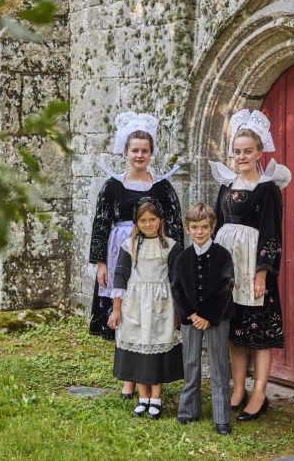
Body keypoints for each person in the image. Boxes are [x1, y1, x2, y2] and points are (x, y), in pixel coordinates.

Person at [88, 112, 184, 399]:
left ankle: (151, 374)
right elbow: (100, 224)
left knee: (149, 315)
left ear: (151, 154)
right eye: (134, 150)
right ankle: (128, 377)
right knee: (125, 313)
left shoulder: (162, 186)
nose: (139, 155)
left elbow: (176, 224)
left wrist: (175, 266)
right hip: (121, 257)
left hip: (153, 264)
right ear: (125, 152)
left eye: (144, 150)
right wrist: (101, 263)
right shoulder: (112, 186)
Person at [208, 109, 292, 422]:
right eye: (238, 151)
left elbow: (272, 233)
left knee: (259, 331)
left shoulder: (268, 188)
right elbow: (217, 226)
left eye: (248, 151)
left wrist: (262, 273)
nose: (242, 156)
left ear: (260, 152)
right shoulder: (226, 184)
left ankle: (259, 392)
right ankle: (238, 388)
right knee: (234, 330)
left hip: (253, 267)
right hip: (230, 266)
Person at [107, 199, 184, 419]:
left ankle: (156, 398)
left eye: (152, 220)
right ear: (137, 222)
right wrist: (116, 310)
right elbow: (120, 278)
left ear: (160, 221)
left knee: (156, 344)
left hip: (161, 304)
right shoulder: (128, 245)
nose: (148, 224)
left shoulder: (170, 245)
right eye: (143, 220)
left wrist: (178, 313)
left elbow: (176, 280)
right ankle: (143, 397)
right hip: (135, 303)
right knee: (140, 345)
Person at [169, 203, 235, 435]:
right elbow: (177, 288)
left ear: (212, 228)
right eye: (195, 227)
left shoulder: (222, 255)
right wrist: (191, 314)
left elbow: (226, 286)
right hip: (190, 319)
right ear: (187, 229)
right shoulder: (182, 258)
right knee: (191, 363)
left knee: (219, 366)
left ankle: (221, 417)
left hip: (217, 318)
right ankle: (188, 410)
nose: (199, 232)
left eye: (204, 227)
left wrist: (208, 316)